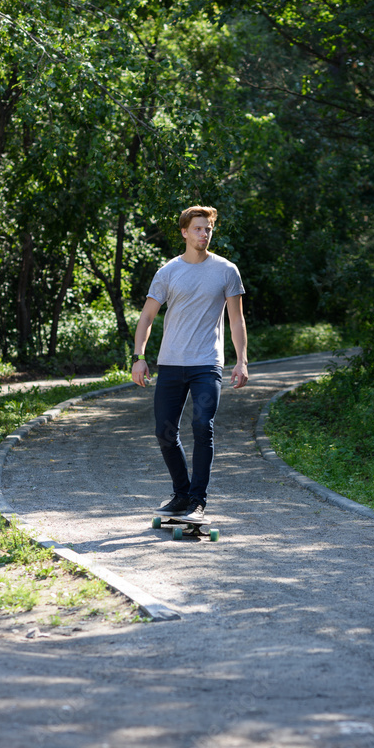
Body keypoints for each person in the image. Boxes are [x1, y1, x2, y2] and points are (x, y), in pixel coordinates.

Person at [131, 205, 248, 523]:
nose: (203, 233)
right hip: (171, 363)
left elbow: (236, 320)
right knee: (164, 432)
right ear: (184, 232)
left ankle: (197, 501)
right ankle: (181, 493)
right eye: (197, 228)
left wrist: (241, 361)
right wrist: (139, 357)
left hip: (207, 364)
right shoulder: (168, 272)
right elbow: (147, 317)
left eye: (208, 228)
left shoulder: (226, 270)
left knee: (202, 426)